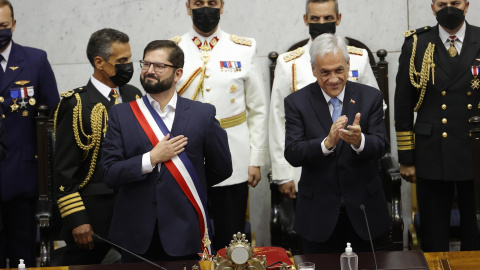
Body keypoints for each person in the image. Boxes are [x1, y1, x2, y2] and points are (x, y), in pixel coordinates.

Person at [101, 40, 232, 262]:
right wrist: (150, 159)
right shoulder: (121, 114)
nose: (150, 71)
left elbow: (222, 168)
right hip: (135, 235)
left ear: (177, 73)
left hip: (185, 232)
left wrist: (186, 184)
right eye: (146, 64)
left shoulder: (202, 114)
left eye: (159, 66)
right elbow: (109, 173)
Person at [171, 0, 269, 250]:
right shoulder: (172, 49)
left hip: (234, 156)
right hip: (185, 155)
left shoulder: (243, 48)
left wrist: (255, 158)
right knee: (189, 236)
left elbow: (258, 108)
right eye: (199, 3)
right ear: (188, 6)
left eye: (212, 3)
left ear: (222, 6)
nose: (206, 8)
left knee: (232, 236)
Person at [284, 34, 390, 254]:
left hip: (364, 212)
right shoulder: (297, 102)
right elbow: (293, 152)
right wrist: (326, 143)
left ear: (348, 65)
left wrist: (360, 141)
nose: (333, 79)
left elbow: (381, 145)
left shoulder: (371, 97)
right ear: (313, 70)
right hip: (317, 215)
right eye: (325, 72)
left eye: (339, 70)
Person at [270, 0, 383, 199]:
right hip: (308, 170)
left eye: (328, 18)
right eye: (315, 18)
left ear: (338, 19)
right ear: (306, 20)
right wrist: (282, 173)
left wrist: (360, 139)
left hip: (355, 166)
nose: (321, 23)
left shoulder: (358, 56)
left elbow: (376, 108)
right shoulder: (289, 63)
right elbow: (277, 120)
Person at [394, 0, 480, 252]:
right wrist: (406, 158)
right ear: (432, 8)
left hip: (476, 152)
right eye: (442, 3)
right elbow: (403, 105)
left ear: (466, 5)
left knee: (475, 232)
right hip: (432, 153)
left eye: (455, 2)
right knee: (434, 233)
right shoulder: (417, 44)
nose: (449, 8)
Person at [53, 28, 142, 265]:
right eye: (121, 61)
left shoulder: (134, 95)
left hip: (133, 211)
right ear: (99, 62)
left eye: (129, 59)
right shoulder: (76, 104)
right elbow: (64, 172)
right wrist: (77, 219)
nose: (128, 66)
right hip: (95, 219)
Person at [0, 0, 59, 267]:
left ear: (13, 25)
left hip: (22, 176)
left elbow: (54, 116)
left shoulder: (35, 60)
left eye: (3, 25)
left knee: (23, 252)